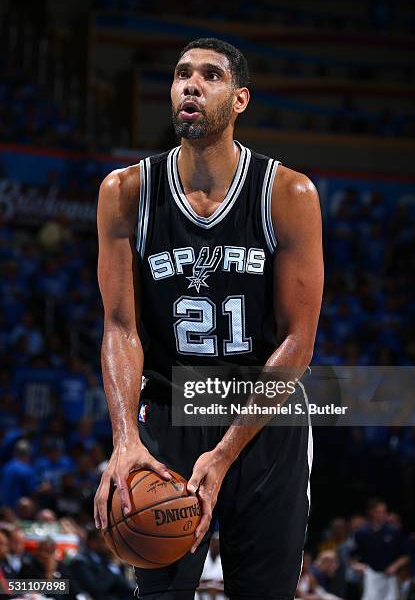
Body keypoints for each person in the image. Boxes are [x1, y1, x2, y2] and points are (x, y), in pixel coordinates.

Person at [94, 37, 323, 599]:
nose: (190, 84)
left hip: (264, 421)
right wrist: (125, 440)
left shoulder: (288, 193)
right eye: (180, 74)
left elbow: (298, 342)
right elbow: (120, 328)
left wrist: (222, 456)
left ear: (240, 99)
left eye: (210, 75)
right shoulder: (125, 192)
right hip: (171, 414)